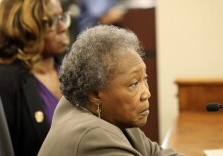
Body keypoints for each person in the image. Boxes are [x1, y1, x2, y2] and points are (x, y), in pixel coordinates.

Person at [38, 25, 184, 156]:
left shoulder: (115, 116)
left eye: (144, 80)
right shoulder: (93, 136)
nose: (146, 93)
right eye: (134, 84)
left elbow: (155, 153)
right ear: (95, 93)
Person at [0, 0, 70, 155]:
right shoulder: (5, 81)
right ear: (24, 28)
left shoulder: (68, 67)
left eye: (62, 17)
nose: (63, 27)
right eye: (52, 21)